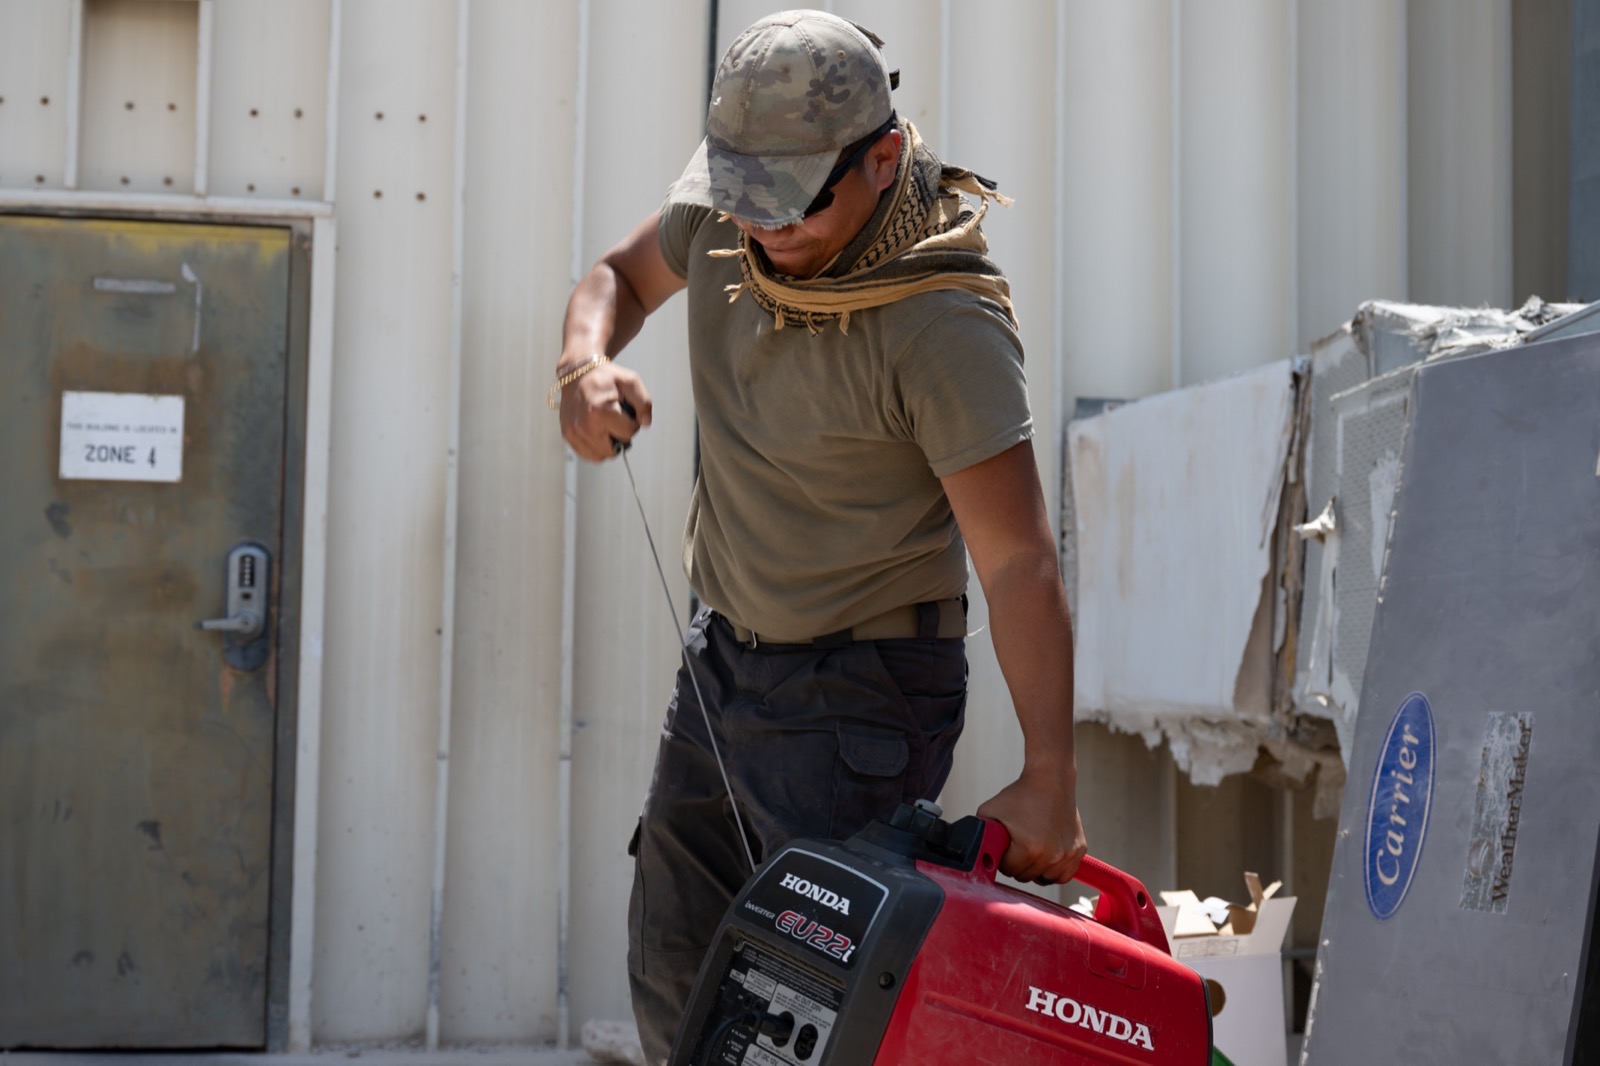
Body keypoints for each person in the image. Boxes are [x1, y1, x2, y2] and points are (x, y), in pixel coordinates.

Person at [552, 10, 1086, 1061]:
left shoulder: (942, 322)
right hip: (722, 663)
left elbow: (1019, 560)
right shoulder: (729, 214)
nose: (764, 229)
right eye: (744, 198)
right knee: (675, 968)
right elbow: (617, 277)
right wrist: (583, 364)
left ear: (881, 159)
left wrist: (1051, 777)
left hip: (862, 697)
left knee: (810, 1021)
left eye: (794, 201)